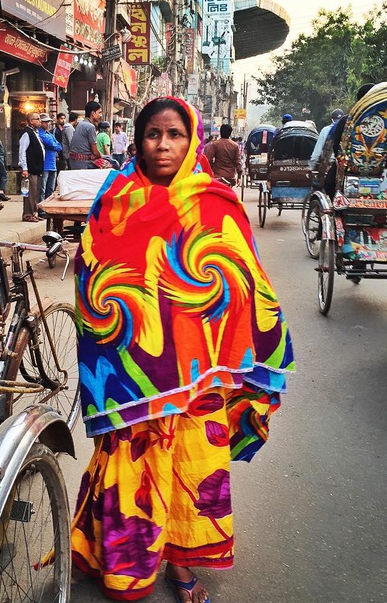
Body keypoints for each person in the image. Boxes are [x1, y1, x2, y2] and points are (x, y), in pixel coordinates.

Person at [71, 96, 294, 603]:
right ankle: (129, 560)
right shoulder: (116, 195)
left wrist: (232, 337)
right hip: (134, 366)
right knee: (138, 457)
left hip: (201, 370)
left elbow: (246, 282)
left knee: (192, 463)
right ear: (139, 139)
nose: (164, 144)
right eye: (153, 134)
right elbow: (93, 273)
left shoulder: (215, 201)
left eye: (173, 134)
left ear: (189, 137)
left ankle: (179, 565)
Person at [17, 112, 45, 222]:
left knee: (35, 193)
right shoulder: (27, 133)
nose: (40, 121)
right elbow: (22, 151)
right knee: (29, 193)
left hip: (37, 168)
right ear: (31, 121)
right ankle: (28, 215)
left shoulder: (36, 133)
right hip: (30, 169)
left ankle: (34, 213)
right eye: (37, 119)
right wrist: (24, 168)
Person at [69, 101, 103, 169]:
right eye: (99, 112)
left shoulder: (80, 124)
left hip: (74, 162)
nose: (101, 115)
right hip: (84, 163)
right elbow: (95, 152)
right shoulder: (90, 127)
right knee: (112, 162)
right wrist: (101, 156)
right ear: (93, 113)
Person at [39, 113, 62, 200]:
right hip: (45, 165)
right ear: (40, 122)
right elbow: (51, 144)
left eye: (48, 122)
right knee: (42, 190)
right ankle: (41, 209)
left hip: (53, 165)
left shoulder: (49, 134)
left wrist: (53, 145)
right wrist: (53, 145)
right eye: (45, 122)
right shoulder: (40, 134)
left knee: (51, 190)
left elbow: (59, 146)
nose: (47, 124)